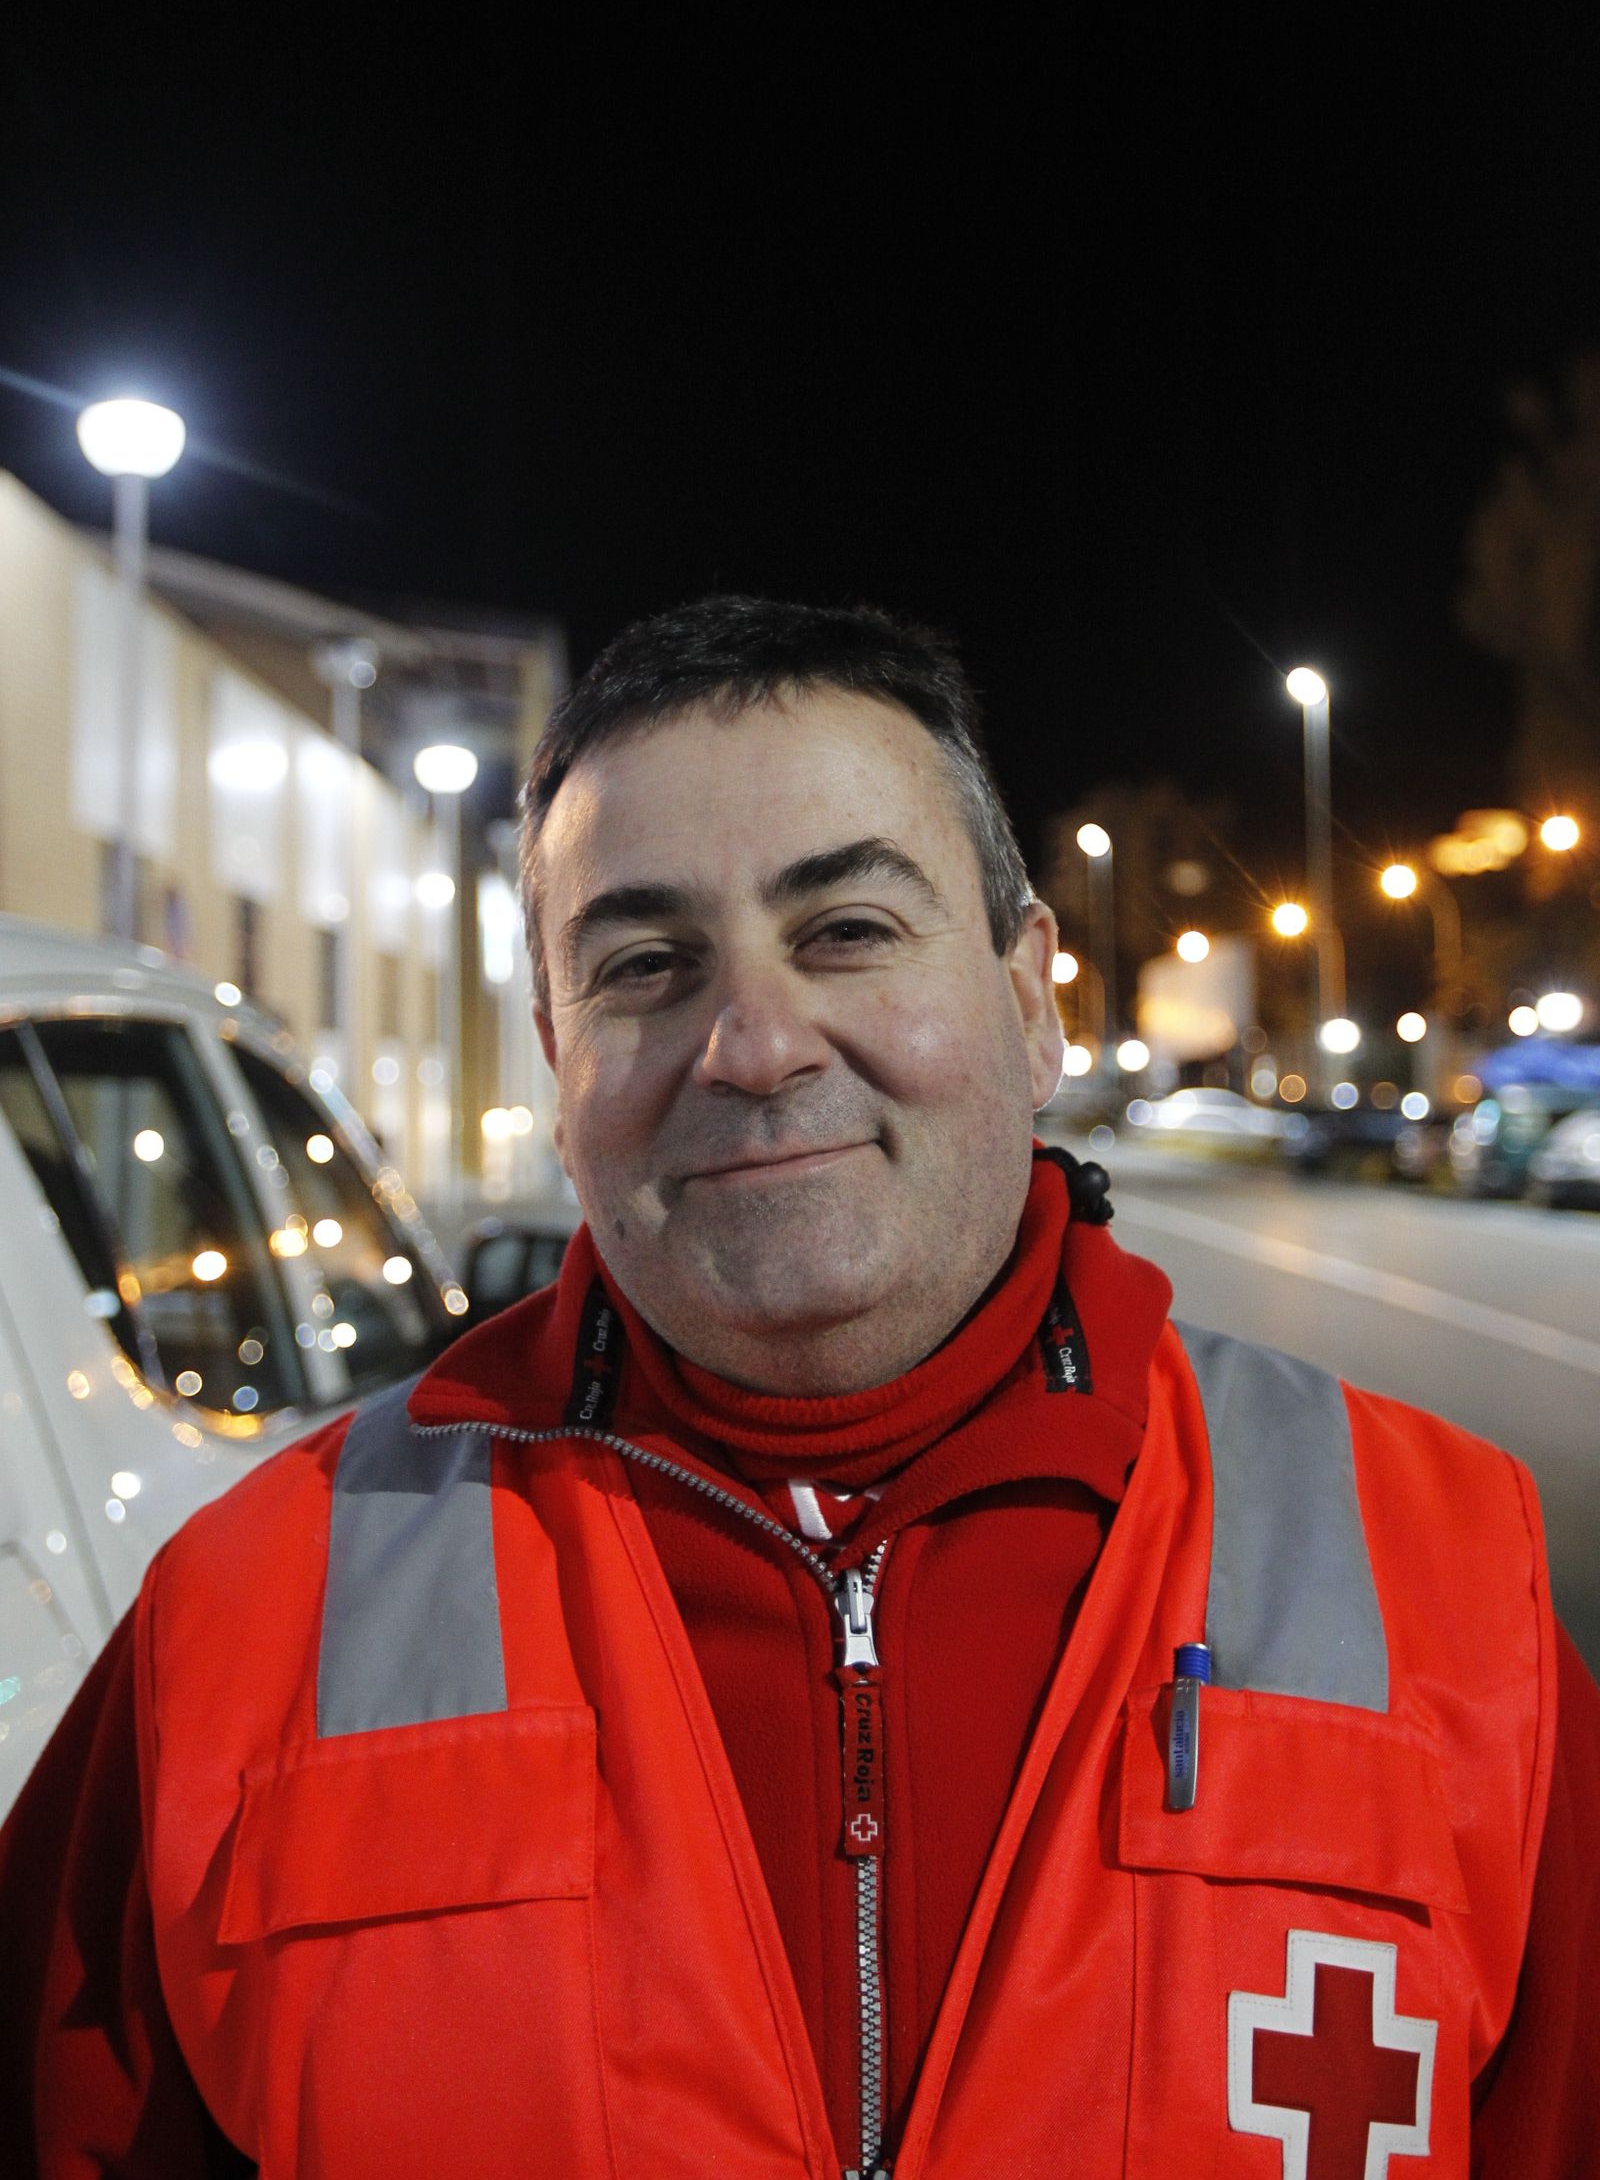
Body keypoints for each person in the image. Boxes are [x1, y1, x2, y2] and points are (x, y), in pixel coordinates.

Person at [2, 595, 1597, 2179]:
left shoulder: (1450, 1573)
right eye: (645, 963)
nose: (753, 1043)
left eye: (845, 929)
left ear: (1032, 996)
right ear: (559, 1053)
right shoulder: (245, 1614)